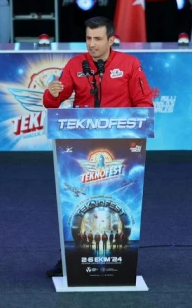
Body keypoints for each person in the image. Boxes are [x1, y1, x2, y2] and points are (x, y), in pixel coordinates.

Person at [43, 17, 152, 276]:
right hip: (81, 145)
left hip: (121, 146)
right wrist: (53, 92)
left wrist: (136, 131)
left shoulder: (130, 64)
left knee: (118, 200)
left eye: (98, 39)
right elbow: (52, 104)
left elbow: (144, 104)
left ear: (111, 40)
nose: (92, 44)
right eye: (88, 38)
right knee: (77, 201)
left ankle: (120, 258)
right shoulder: (75, 64)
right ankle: (71, 259)